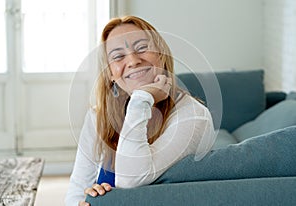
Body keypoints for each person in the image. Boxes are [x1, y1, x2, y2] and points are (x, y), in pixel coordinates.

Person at [65, 15, 216, 206]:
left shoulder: (194, 117)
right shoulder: (98, 117)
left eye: (142, 48)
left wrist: (142, 98)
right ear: (111, 74)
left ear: (161, 56)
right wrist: (86, 200)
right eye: (118, 56)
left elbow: (132, 180)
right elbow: (78, 187)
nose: (133, 61)